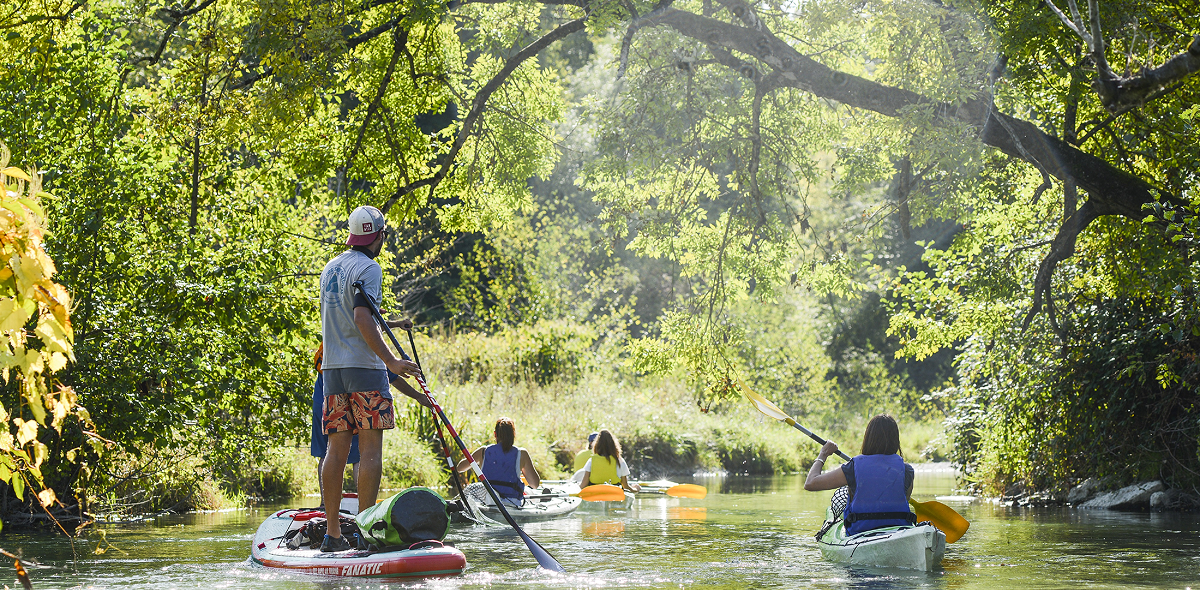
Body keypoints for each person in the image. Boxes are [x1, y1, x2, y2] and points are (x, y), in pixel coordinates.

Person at [318, 205, 427, 552]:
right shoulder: (369, 268)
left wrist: (390, 324)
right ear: (378, 236)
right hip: (366, 369)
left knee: (335, 451)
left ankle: (333, 534)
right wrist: (393, 361)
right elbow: (363, 319)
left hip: (333, 371)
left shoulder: (330, 268)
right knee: (370, 453)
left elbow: (349, 318)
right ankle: (365, 534)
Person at [802, 414, 916, 535]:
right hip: (899, 531)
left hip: (860, 533)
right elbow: (904, 498)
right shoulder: (907, 470)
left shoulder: (853, 468)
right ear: (895, 440)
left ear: (868, 438)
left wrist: (823, 453)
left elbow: (810, 483)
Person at [456, 417, 542, 506]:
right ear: (513, 435)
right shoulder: (522, 454)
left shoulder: (483, 452)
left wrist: (471, 457)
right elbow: (535, 484)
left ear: (495, 434)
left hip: (489, 502)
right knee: (529, 491)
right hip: (513, 503)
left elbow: (459, 468)